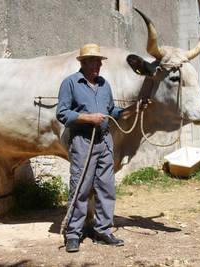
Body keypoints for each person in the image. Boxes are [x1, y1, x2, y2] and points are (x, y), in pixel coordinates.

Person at [56, 43, 126, 253]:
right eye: (92, 61)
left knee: (107, 187)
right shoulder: (70, 83)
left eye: (99, 61)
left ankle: (103, 230)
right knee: (81, 187)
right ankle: (73, 234)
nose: (97, 65)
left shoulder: (105, 85)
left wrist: (128, 111)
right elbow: (62, 113)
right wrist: (87, 117)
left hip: (104, 141)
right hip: (82, 141)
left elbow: (110, 109)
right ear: (83, 62)